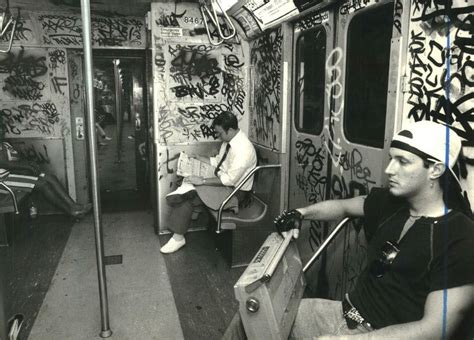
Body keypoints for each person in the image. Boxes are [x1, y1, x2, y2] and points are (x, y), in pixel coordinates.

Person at [224, 121, 474, 339]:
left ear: (435, 169)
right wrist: (301, 213)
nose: (389, 170)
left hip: (379, 333)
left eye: (403, 162)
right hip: (345, 312)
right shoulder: (392, 202)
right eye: (391, 159)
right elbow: (343, 207)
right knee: (247, 319)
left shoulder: (460, 239)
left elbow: (435, 329)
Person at [160, 111, 257, 254]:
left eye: (219, 133)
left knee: (191, 195)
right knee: (186, 180)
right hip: (224, 183)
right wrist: (199, 158)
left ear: (230, 130)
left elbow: (229, 179)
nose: (218, 136)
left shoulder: (244, 150)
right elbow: (219, 162)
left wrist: (202, 180)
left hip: (235, 193)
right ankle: (190, 211)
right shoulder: (229, 141)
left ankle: (178, 237)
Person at [0, 141, 92, 220]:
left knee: (50, 177)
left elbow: (14, 161)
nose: (1, 130)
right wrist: (27, 166)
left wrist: (29, 165)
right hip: (3, 181)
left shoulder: (5, 144)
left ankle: (73, 206)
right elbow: (4, 163)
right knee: (43, 185)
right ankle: (71, 210)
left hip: (11, 174)